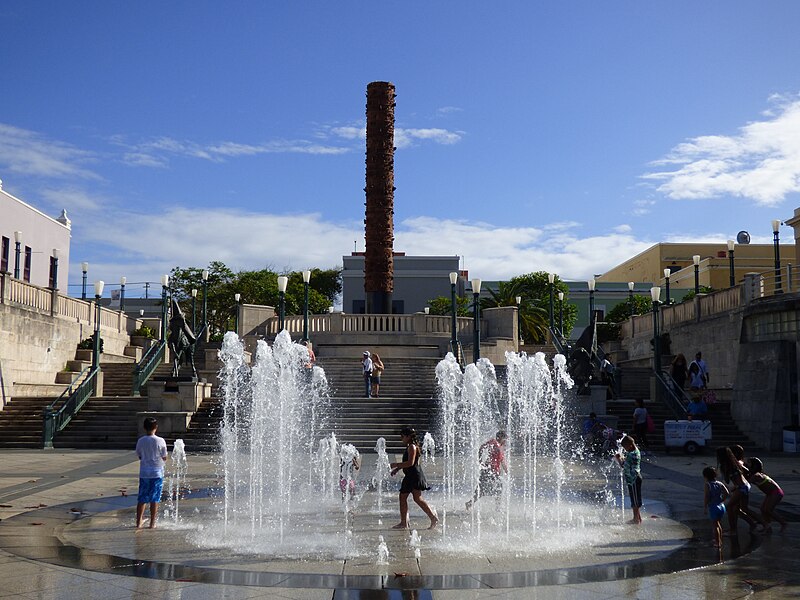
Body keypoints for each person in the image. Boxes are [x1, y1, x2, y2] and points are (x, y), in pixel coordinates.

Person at [390, 426, 438, 530]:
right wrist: (397, 469)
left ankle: (405, 522)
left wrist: (395, 464)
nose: (401, 438)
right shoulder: (410, 446)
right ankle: (430, 518)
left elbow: (410, 463)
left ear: (408, 436)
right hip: (412, 475)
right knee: (415, 498)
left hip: (413, 476)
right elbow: (409, 463)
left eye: (402, 436)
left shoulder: (412, 447)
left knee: (408, 498)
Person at [135, 417, 168, 529]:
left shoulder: (141, 440)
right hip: (156, 472)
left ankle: (138, 522)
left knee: (142, 497)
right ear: (156, 427)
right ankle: (152, 523)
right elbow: (164, 457)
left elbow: (139, 455)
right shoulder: (160, 440)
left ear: (144, 427)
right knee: (155, 498)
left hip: (144, 472)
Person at [465, 430, 508, 510]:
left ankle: (497, 508)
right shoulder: (493, 442)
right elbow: (481, 448)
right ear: (500, 437)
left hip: (496, 472)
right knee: (481, 490)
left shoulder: (501, 446)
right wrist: (480, 461)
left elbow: (502, 459)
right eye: (504, 438)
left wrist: (506, 470)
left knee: (499, 489)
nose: (505, 440)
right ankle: (469, 503)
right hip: (488, 471)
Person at [746, 457, 787, 532]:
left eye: (749, 463)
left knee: (768, 510)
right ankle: (767, 525)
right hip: (770, 493)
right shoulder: (756, 474)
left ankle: (783, 523)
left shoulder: (756, 475)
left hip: (776, 493)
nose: (746, 464)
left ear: (754, 466)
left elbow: (746, 483)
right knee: (762, 509)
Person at [615, 435, 642, 524]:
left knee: (634, 499)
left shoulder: (631, 454)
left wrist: (618, 459)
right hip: (636, 477)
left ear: (630, 445)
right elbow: (628, 462)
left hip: (633, 479)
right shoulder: (636, 451)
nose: (625, 449)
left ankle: (635, 519)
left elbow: (623, 465)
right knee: (636, 498)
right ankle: (638, 517)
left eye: (625, 448)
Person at [703, 466, 729, 548]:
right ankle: (720, 539)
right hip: (721, 506)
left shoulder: (708, 485)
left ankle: (717, 543)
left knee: (715, 526)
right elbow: (727, 492)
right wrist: (722, 500)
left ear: (705, 476)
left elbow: (707, 496)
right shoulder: (719, 483)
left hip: (713, 507)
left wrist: (705, 506)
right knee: (718, 524)